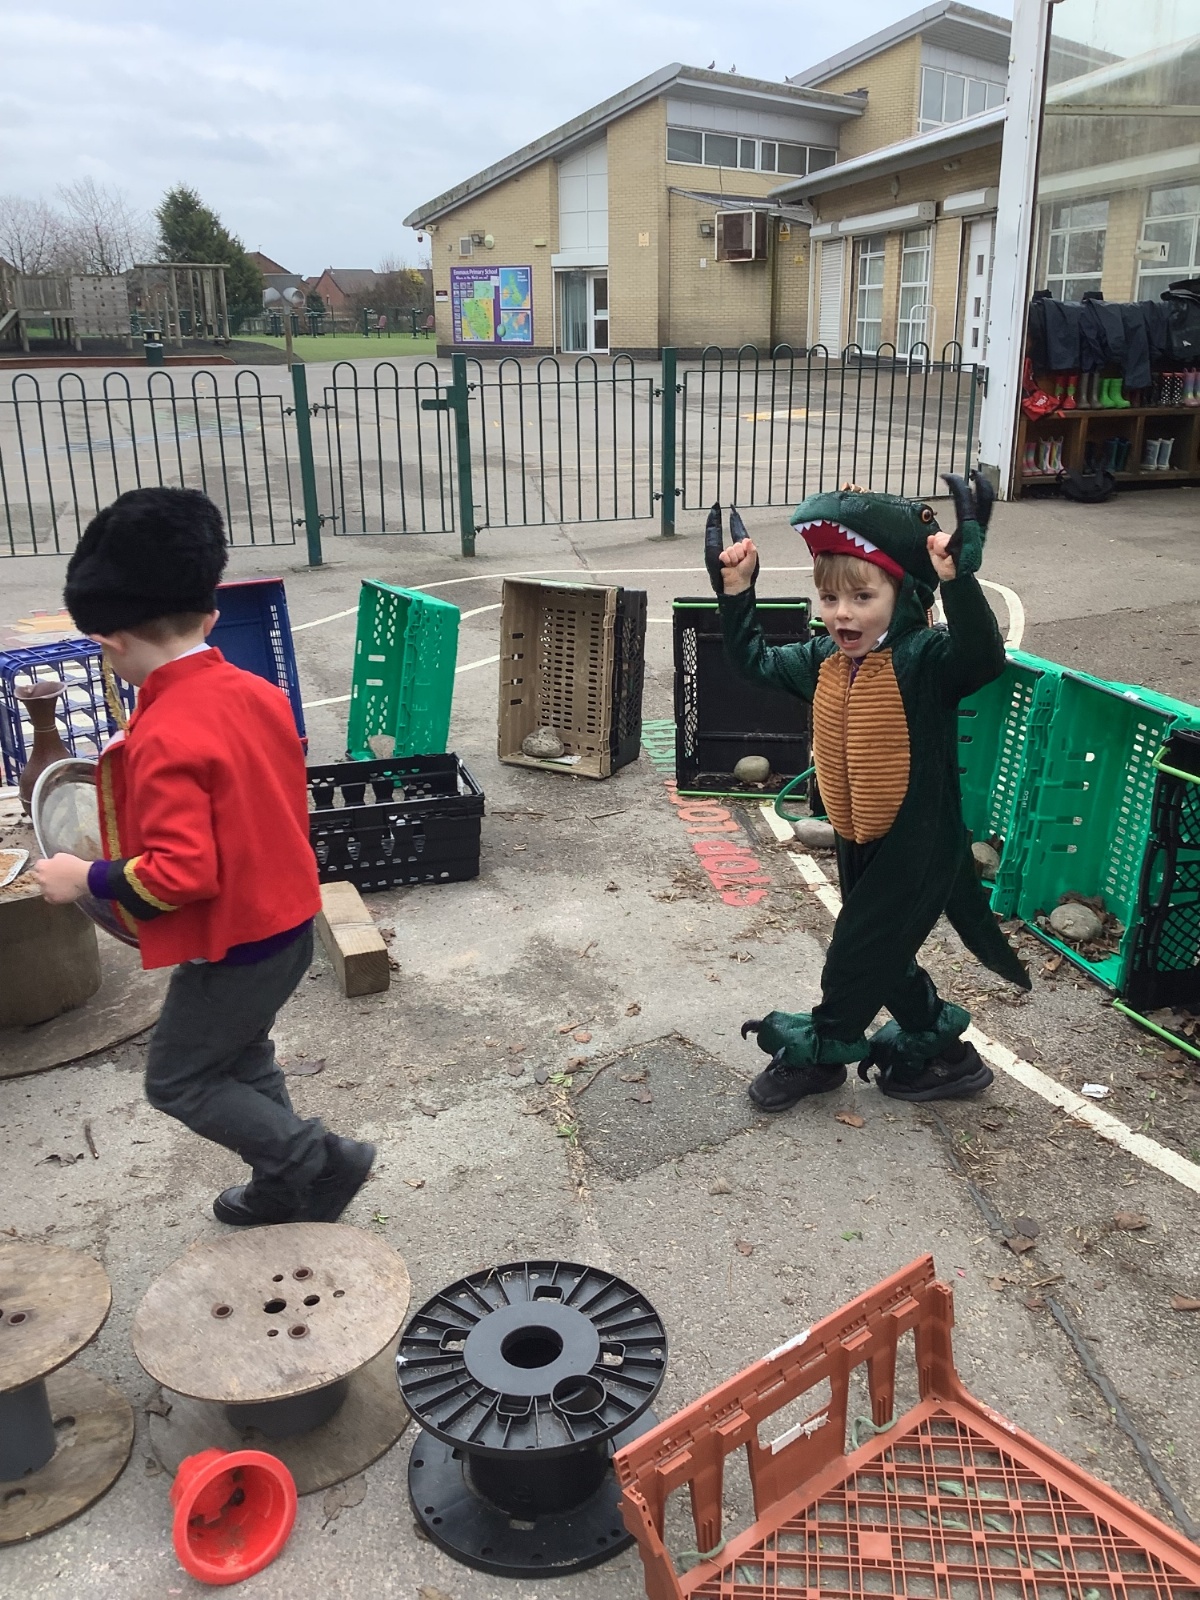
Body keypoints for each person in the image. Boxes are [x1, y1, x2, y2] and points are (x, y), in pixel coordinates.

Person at [35, 487, 375, 1226]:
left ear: (111, 642)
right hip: (286, 920)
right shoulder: (255, 692)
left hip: (236, 944)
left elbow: (183, 874)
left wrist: (85, 876)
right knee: (242, 1058)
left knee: (180, 1080)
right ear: (210, 616)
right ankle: (287, 1190)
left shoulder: (163, 736)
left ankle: (317, 1161)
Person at [711, 474, 1030, 1112]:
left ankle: (821, 1053)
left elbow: (983, 659)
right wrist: (738, 592)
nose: (842, 614)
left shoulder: (925, 658)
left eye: (862, 596)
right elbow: (754, 662)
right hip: (859, 835)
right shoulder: (822, 660)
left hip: (918, 841)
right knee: (883, 948)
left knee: (854, 956)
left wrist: (958, 582)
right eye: (830, 597)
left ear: (901, 592)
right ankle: (943, 1052)